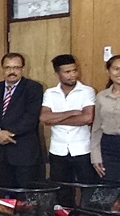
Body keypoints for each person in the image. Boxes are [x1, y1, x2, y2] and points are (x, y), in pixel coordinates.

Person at [40, 54, 99, 206]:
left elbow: (87, 118)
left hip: (82, 150)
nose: (72, 75)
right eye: (67, 72)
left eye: (74, 70)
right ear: (57, 74)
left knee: (89, 191)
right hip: (58, 150)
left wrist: (56, 119)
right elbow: (44, 118)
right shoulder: (50, 93)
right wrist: (72, 112)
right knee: (62, 192)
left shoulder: (87, 91)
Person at [0, 53, 44, 188]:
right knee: (2, 197)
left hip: (23, 152)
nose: (12, 72)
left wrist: (7, 134)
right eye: (8, 68)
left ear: (23, 68)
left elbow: (30, 118)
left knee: (25, 198)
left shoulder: (33, 88)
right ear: (2, 69)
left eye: (16, 67)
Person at [91, 55, 120, 214]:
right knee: (112, 201)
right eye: (116, 68)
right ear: (108, 71)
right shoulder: (101, 96)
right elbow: (97, 128)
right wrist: (95, 156)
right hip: (108, 150)